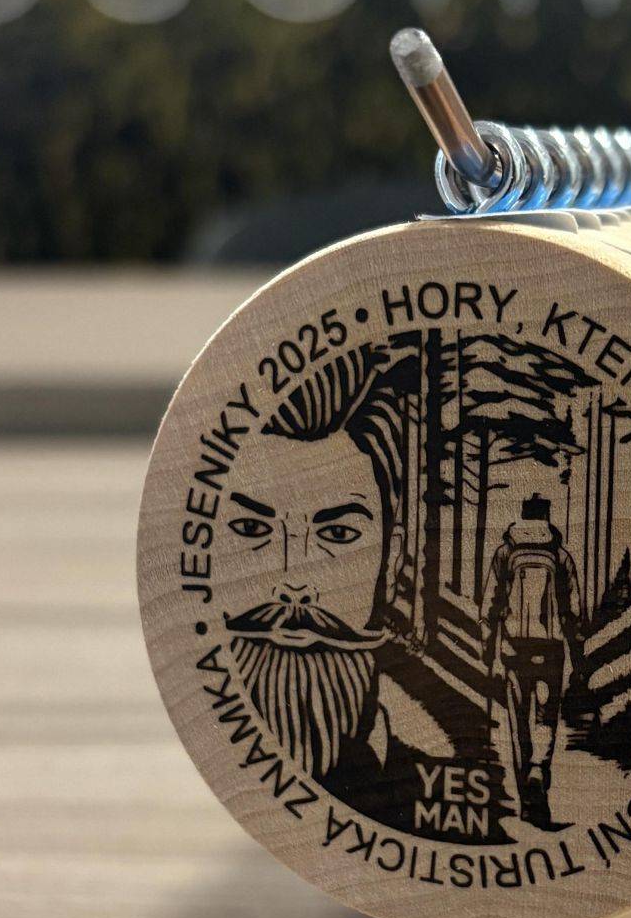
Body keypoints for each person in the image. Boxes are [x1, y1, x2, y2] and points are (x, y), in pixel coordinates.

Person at [220, 352, 491, 831]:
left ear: (393, 560)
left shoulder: (453, 811)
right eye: (251, 528)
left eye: (339, 535)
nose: (294, 584)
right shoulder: (219, 748)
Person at [483, 494, 583, 830]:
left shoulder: (506, 552)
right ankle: (539, 767)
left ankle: (526, 801)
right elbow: (573, 610)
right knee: (545, 714)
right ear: (547, 518)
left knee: (518, 724)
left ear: (522, 517)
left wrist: (488, 652)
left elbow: (490, 604)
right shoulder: (560, 555)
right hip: (550, 648)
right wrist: (577, 655)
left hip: (513, 649)